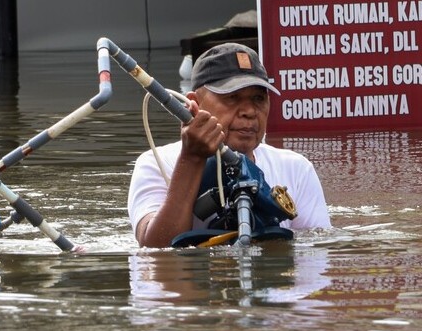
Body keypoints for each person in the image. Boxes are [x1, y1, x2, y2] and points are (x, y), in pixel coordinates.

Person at [128, 43, 330, 247]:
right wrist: (192, 159)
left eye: (258, 98)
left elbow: (315, 255)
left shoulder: (296, 168)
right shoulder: (155, 163)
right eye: (232, 97)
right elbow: (154, 252)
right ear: (194, 104)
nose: (250, 111)